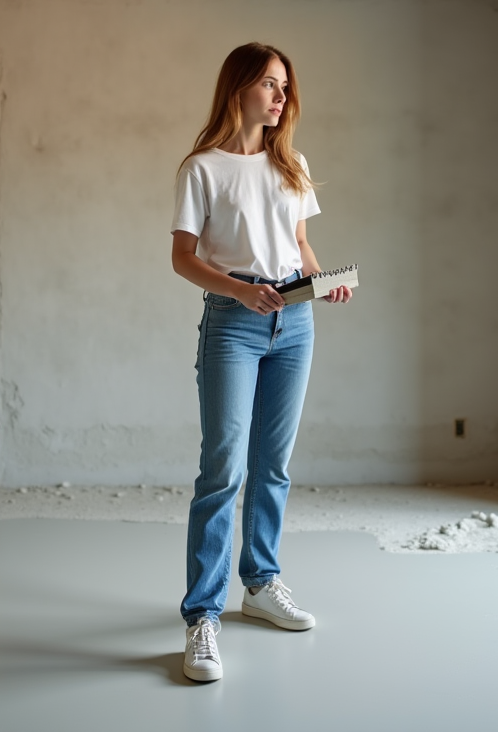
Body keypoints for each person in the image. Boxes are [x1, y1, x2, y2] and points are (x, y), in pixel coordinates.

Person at [170, 42, 351, 682]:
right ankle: (202, 618)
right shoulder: (203, 168)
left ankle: (260, 583)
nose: (281, 97)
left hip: (295, 323)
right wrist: (240, 289)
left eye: (284, 87)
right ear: (239, 87)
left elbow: (299, 245)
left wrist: (324, 279)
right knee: (222, 467)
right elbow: (183, 258)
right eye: (270, 84)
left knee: (272, 464)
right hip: (233, 324)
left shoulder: (291, 163)